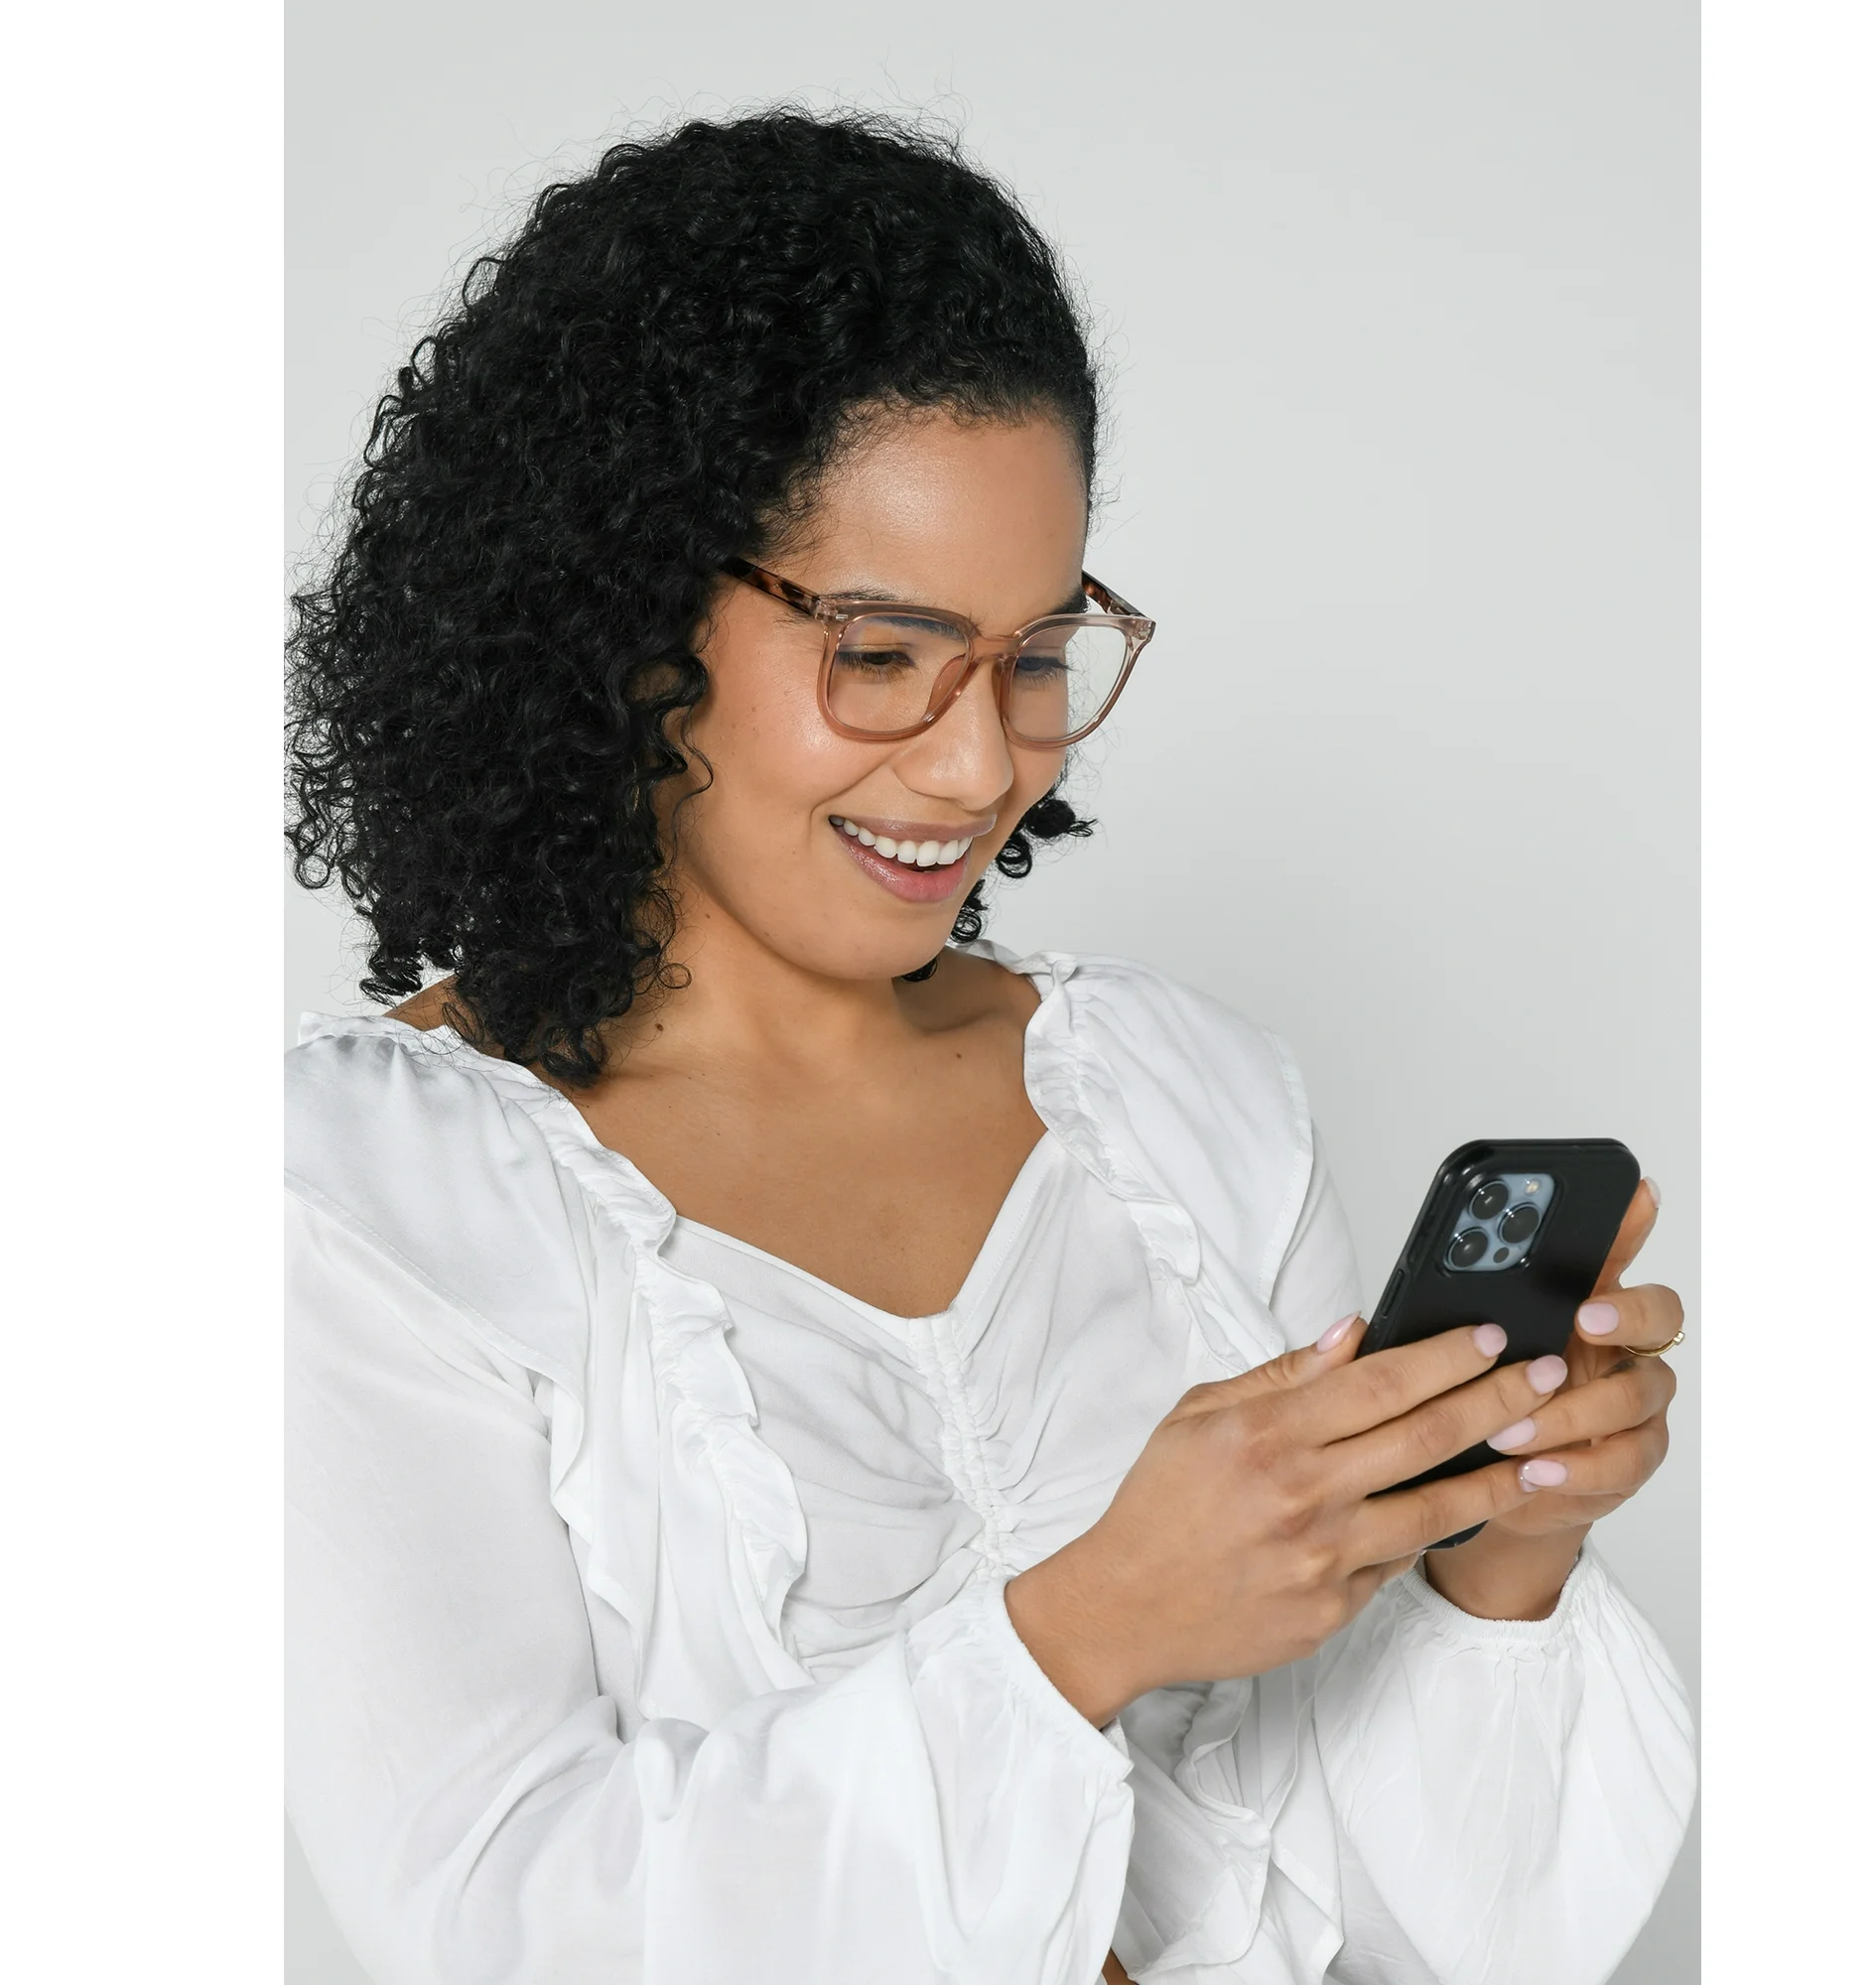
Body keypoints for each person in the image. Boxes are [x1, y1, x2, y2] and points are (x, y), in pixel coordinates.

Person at [285, 110, 1694, 1985]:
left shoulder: (1183, 1107)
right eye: (883, 652)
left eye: (1035, 654)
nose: (978, 764)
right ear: (623, 622)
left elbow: (1395, 1928)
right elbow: (495, 1920)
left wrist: (1500, 1546)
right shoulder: (362, 1198)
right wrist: (1085, 1627)